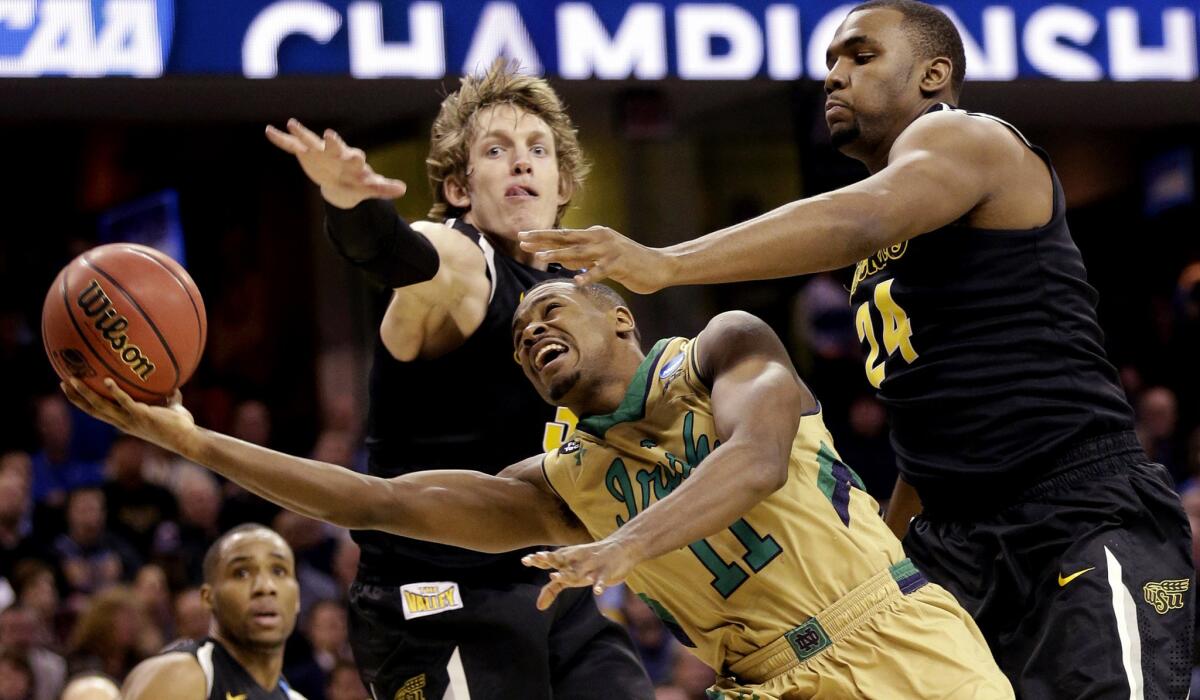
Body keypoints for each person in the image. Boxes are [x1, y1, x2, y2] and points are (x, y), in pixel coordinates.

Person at [517, 1, 1194, 697]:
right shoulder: (884, 253)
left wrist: (665, 262)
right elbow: (930, 435)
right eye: (831, 64)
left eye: (860, 56)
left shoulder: (968, 139)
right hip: (957, 535)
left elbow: (859, 215)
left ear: (935, 73)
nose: (835, 77)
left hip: (1076, 513)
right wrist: (884, 548)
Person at [60, 280, 1014, 699]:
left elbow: (756, 460)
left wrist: (625, 548)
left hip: (896, 647)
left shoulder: (723, 350)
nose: (530, 334)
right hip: (763, 683)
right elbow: (374, 503)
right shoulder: (564, 487)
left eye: (548, 311)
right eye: (518, 339)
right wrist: (186, 438)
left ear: (619, 317)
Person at [264, 59, 651, 699]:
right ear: (460, 188)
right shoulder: (463, 259)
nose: (521, 162)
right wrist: (349, 203)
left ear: (564, 184)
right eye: (496, 150)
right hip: (435, 600)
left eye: (537, 150)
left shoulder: (576, 298)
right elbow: (397, 253)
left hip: (551, 588)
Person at [119, 524, 306, 700]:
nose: (265, 587)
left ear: (297, 598)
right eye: (241, 573)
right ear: (208, 597)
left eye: (279, 571)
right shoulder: (178, 676)